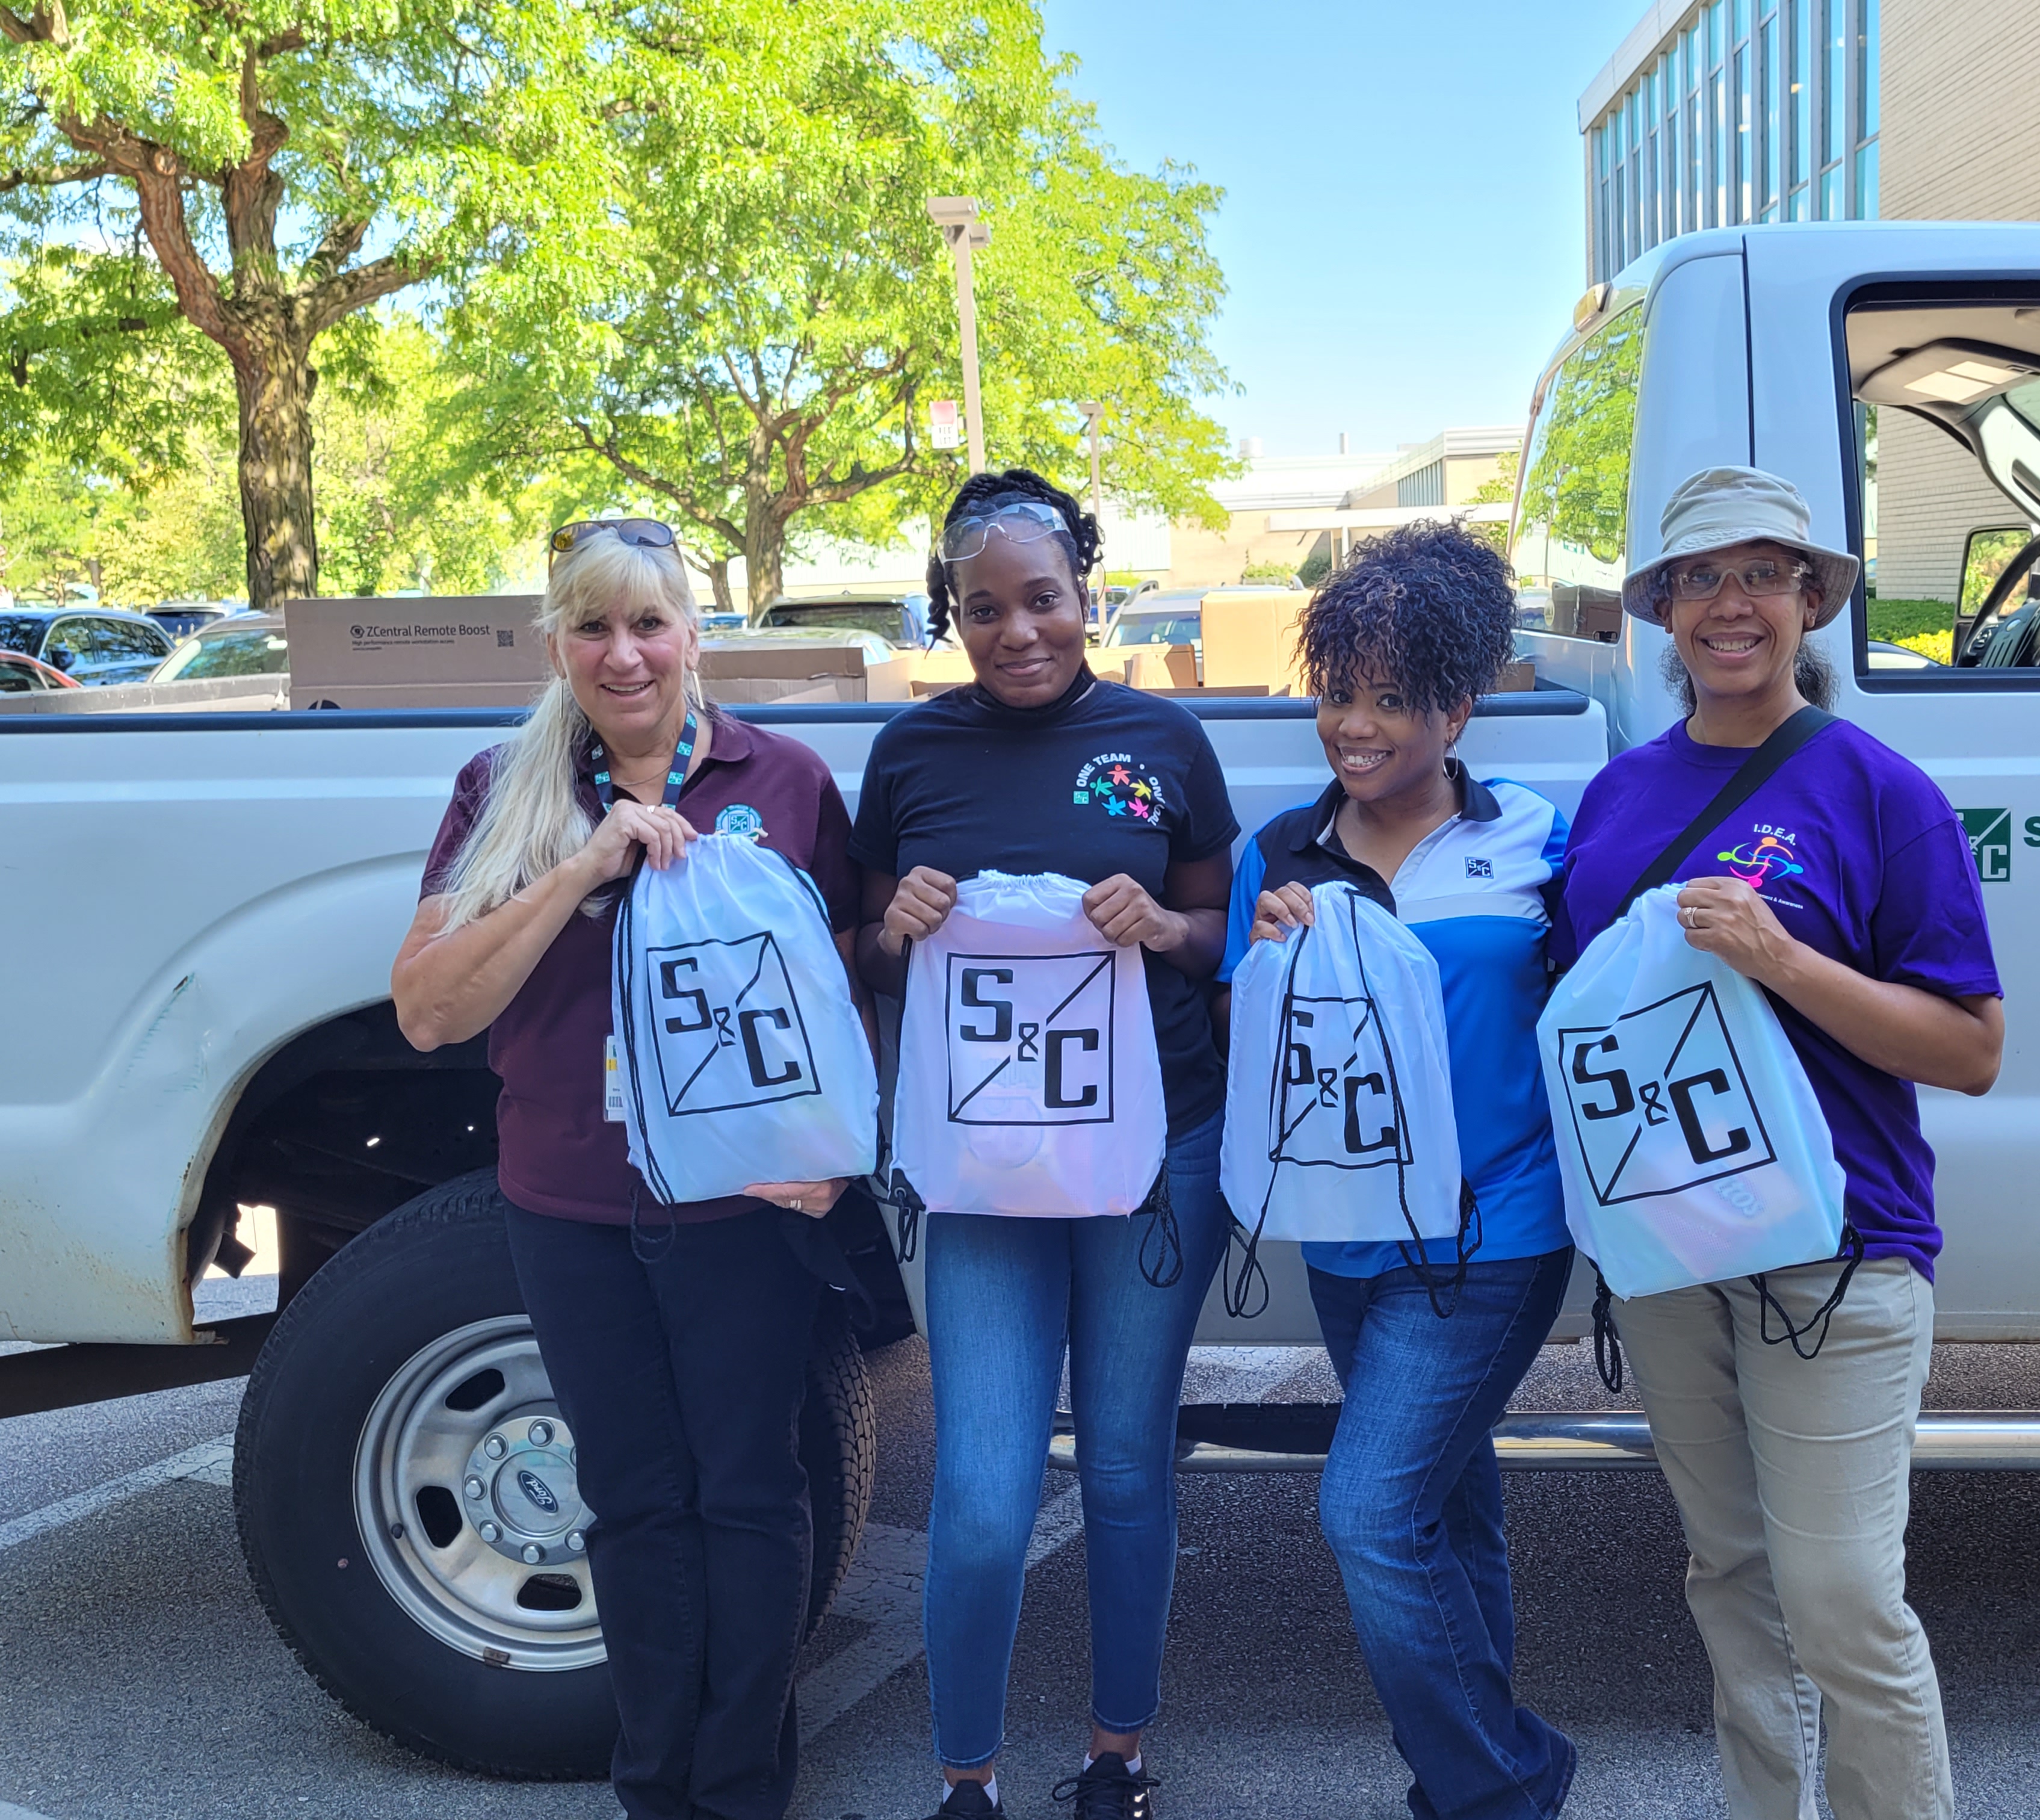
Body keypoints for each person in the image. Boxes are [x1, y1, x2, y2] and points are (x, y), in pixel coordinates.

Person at [392, 521, 866, 1820]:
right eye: (592, 627)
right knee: (635, 1504)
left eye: (650, 623)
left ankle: (744, 1785)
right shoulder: (506, 788)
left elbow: (841, 992)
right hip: (573, 1211)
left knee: (751, 1494)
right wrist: (582, 868)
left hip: (740, 1213)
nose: (624, 653)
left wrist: (827, 1156)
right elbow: (428, 1010)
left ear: (695, 635)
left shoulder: (784, 780)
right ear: (555, 643)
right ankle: (656, 1788)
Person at [1551, 468, 2004, 1820]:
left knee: (1845, 1603)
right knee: (1729, 1581)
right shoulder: (1619, 798)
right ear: (1663, 614)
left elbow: (1971, 1050)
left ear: (1811, 600)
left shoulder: (1880, 790)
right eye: (1698, 578)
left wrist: (1786, 961)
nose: (1729, 605)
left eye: (1761, 575)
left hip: (1842, 1251)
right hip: (1673, 1244)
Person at [851, 470, 1238, 1820]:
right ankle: (968, 1780)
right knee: (979, 1492)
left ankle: (1117, 1757)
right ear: (950, 614)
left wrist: (1163, 925)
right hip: (978, 1166)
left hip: (1151, 1157)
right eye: (983, 609)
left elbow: (1214, 940)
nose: (1018, 631)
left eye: (1043, 600)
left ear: (1088, 592)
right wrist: (892, 924)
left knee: (1128, 1467)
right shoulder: (910, 755)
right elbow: (860, 949)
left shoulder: (1164, 741)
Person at [1226, 521, 1577, 1820]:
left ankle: (1502, 1783)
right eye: (1337, 694)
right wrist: (1262, 954)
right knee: (1446, 1514)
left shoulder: (1537, 842)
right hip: (1346, 1236)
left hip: (1490, 1239)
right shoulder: (1283, 850)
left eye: (1389, 698)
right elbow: (1243, 1040)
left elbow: (1599, 1012)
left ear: (1458, 705)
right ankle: (1466, 1783)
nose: (1354, 727)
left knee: (1367, 1518)